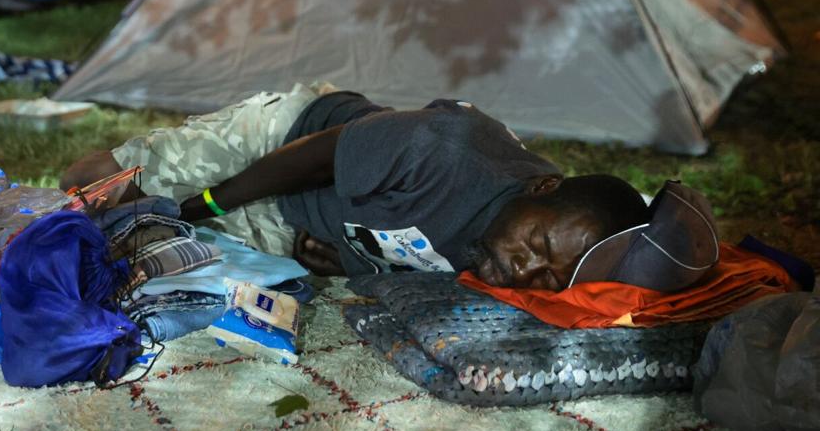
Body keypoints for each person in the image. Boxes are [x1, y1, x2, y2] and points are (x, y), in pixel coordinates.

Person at [60, 86, 655, 290]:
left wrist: (354, 265)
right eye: (541, 245)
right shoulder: (449, 149)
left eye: (554, 276)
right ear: (541, 188)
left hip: (303, 227)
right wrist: (205, 200)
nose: (530, 270)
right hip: (280, 144)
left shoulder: (509, 270)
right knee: (89, 190)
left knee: (135, 252)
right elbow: (320, 154)